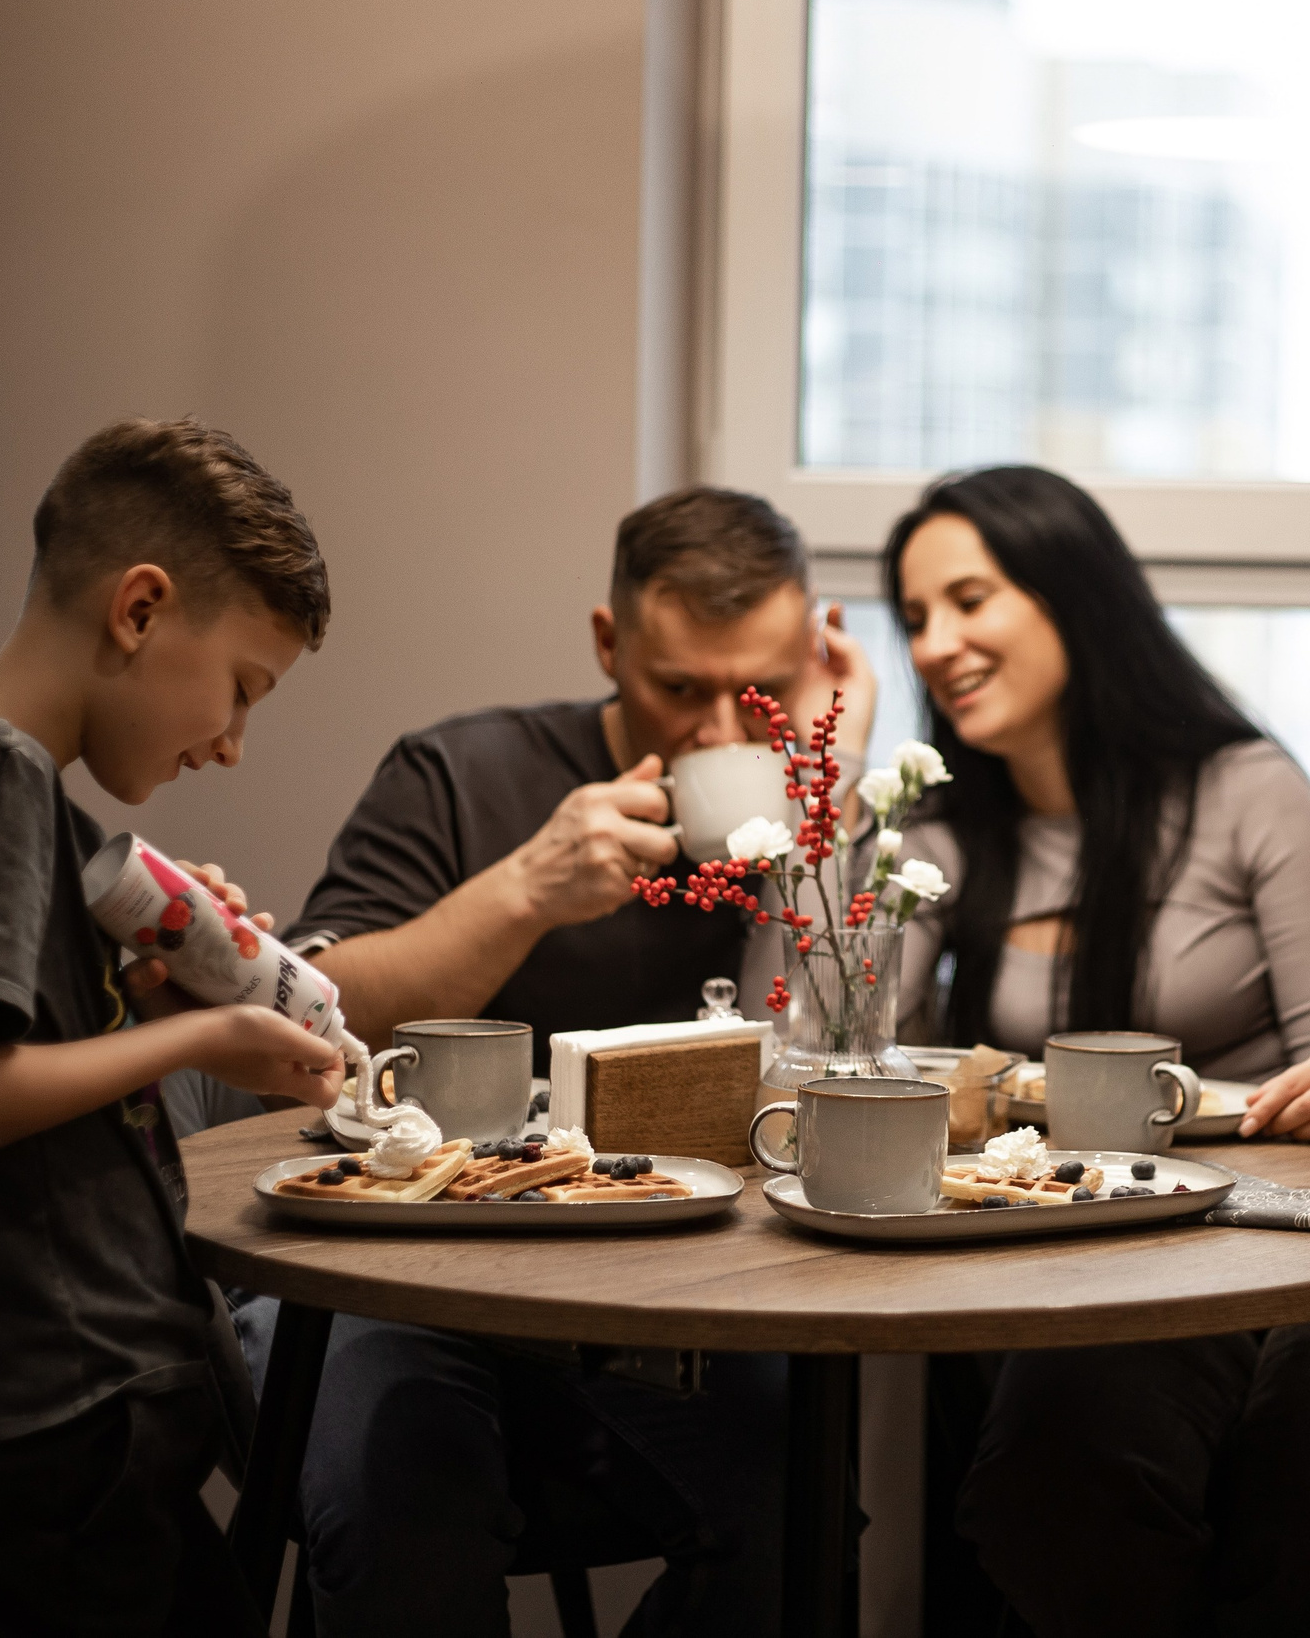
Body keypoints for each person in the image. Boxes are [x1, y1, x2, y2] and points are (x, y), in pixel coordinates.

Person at [225, 485, 874, 1636]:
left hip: (674, 1298)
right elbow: (316, 1028)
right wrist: (524, 893)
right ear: (606, 642)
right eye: (680, 690)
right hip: (413, 1277)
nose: (723, 731)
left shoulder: (803, 798)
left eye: (759, 691)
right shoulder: (461, 773)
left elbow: (823, 1059)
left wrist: (825, 803)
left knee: (803, 1511)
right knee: (398, 1512)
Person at [888, 467, 1310, 1635]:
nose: (936, 644)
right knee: (1045, 1490)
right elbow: (843, 1051)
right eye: (914, 618)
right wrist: (844, 819)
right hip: (1113, 1261)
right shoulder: (936, 835)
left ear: (1072, 596)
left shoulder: (1246, 789)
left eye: (969, 600)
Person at [0, 417, 344, 1635]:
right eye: (241, 688)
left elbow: (34, 1058)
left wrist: (162, 986)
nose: (230, 743)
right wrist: (200, 1047)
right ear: (138, 609)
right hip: (43, 1423)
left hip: (70, 1423)